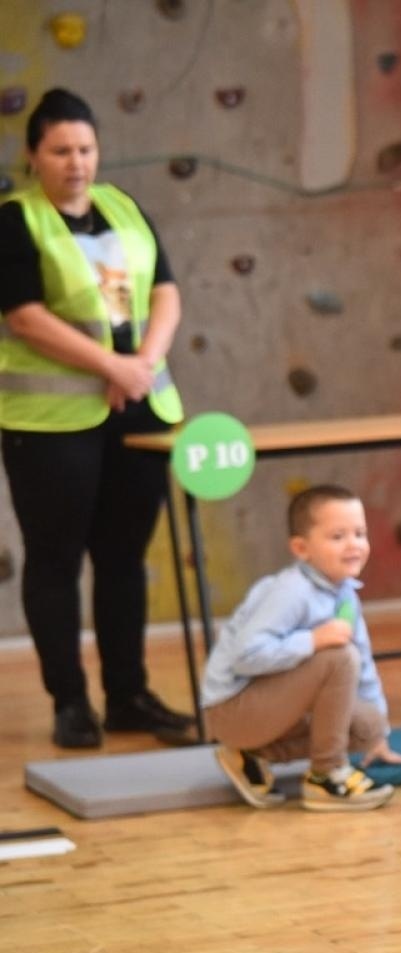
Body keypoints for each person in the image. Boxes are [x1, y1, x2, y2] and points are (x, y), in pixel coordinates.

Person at [0, 87, 195, 749]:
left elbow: (164, 290)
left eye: (85, 148)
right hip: (52, 419)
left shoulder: (122, 208)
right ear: (34, 156)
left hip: (135, 408)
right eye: (60, 150)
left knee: (123, 559)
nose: (76, 162)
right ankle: (71, 703)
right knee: (55, 561)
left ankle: (129, 696)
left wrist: (139, 363)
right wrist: (111, 368)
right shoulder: (15, 221)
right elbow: (25, 317)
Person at [201, 484, 401, 812]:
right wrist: (312, 640)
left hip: (267, 707)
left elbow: (364, 665)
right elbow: (245, 656)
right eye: (338, 536)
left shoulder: (346, 596)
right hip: (231, 710)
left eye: (360, 533)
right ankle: (325, 776)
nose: (353, 544)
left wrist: (380, 734)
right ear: (301, 548)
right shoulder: (292, 591)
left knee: (368, 725)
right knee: (339, 657)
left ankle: (250, 756)